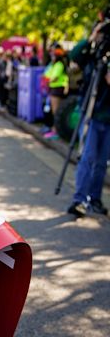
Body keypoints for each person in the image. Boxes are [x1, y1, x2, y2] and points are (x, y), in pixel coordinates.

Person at [66, 17, 110, 217]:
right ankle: (79, 200)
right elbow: (75, 55)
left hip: (107, 118)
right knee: (88, 157)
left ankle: (95, 199)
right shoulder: (94, 54)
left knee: (101, 162)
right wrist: (93, 35)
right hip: (93, 114)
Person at [42, 47, 69, 139]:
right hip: (53, 88)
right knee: (53, 110)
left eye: (53, 55)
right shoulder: (54, 64)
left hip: (57, 89)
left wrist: (48, 81)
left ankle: (56, 130)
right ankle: (53, 129)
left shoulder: (59, 65)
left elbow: (54, 77)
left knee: (56, 111)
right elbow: (47, 74)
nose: (52, 57)